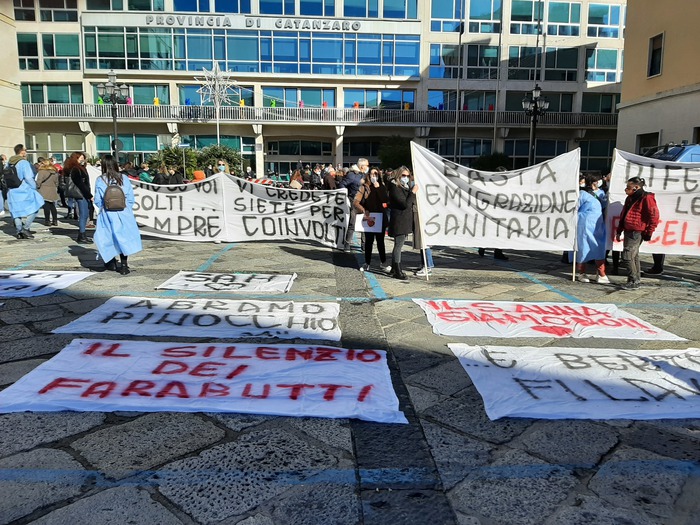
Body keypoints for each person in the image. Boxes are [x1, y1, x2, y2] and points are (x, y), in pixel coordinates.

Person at [94, 154, 142, 275]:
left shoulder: (100, 179)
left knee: (108, 238)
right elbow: (130, 198)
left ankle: (112, 262)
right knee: (123, 238)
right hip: (124, 213)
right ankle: (124, 265)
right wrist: (126, 208)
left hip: (107, 213)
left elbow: (98, 200)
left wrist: (104, 207)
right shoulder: (124, 178)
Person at [615, 176, 660, 290]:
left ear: (636, 187)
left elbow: (654, 216)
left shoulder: (646, 198)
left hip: (637, 230)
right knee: (633, 256)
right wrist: (619, 230)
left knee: (627, 256)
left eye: (628, 187)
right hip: (629, 230)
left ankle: (633, 280)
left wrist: (649, 231)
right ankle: (635, 280)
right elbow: (623, 215)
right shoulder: (630, 198)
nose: (626, 189)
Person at [571, 174, 609, 283]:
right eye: (596, 180)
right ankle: (582, 273)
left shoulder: (601, 193)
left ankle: (601, 274)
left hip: (598, 224)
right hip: (584, 224)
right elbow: (575, 208)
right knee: (583, 247)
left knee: (599, 248)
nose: (599, 182)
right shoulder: (582, 194)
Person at [354, 168, 390, 273]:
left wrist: (378, 188)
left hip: (380, 217)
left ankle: (383, 262)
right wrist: (364, 210)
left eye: (376, 174)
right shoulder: (364, 187)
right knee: (369, 241)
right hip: (369, 216)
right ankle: (367, 263)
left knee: (380, 242)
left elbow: (385, 200)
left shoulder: (381, 186)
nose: (374, 176)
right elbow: (356, 202)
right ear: (368, 175)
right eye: (372, 174)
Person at [6, 144, 44, 239]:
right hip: (23, 189)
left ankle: (19, 231)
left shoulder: (9, 162)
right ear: (22, 151)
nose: (26, 152)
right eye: (25, 150)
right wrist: (34, 187)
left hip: (12, 190)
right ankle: (26, 228)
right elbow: (28, 177)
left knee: (16, 212)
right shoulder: (24, 163)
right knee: (38, 203)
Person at [387, 166, 418, 280]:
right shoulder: (395, 187)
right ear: (398, 176)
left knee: (398, 244)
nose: (405, 178)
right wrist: (413, 193)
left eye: (407, 176)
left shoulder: (405, 186)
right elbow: (404, 204)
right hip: (399, 220)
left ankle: (393, 268)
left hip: (404, 219)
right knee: (398, 245)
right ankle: (397, 270)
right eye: (403, 176)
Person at [63, 151, 93, 244]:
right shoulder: (76, 169)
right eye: (80, 157)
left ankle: (82, 234)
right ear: (75, 158)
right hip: (81, 194)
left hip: (82, 193)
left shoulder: (79, 168)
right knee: (84, 214)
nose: (82, 159)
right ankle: (82, 235)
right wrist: (89, 195)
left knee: (84, 213)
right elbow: (80, 184)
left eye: (83, 157)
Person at [338, 160, 365, 251]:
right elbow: (342, 184)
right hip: (353, 201)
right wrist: (346, 196)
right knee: (352, 223)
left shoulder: (365, 175)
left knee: (363, 223)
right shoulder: (352, 175)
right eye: (366, 165)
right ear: (361, 166)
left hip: (363, 202)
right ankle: (347, 244)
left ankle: (364, 244)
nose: (367, 167)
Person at [35, 157, 60, 226]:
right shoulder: (54, 172)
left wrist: (37, 187)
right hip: (52, 190)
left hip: (44, 189)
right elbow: (57, 182)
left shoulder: (41, 172)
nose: (40, 164)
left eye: (42, 163)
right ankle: (55, 220)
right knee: (52, 205)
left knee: (46, 206)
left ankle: (47, 220)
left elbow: (38, 181)